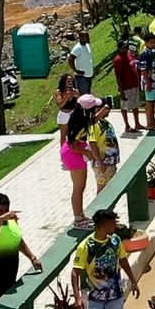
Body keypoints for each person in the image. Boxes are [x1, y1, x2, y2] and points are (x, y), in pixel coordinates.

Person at [73, 208, 141, 309]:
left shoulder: (116, 241)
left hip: (115, 296)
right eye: (112, 223)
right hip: (95, 297)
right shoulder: (86, 246)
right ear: (103, 225)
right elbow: (76, 271)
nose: (115, 226)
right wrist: (77, 297)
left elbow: (123, 261)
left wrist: (133, 281)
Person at [61, 94, 97, 229]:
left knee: (80, 187)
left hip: (73, 153)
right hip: (73, 154)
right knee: (78, 188)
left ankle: (80, 215)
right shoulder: (80, 124)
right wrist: (87, 153)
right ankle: (78, 219)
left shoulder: (79, 118)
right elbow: (73, 145)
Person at [112, 39, 146, 132]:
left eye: (127, 47)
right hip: (125, 86)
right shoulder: (118, 60)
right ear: (119, 48)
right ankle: (127, 125)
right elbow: (118, 77)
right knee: (124, 107)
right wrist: (121, 91)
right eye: (124, 47)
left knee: (135, 104)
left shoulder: (129, 54)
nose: (127, 48)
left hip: (134, 84)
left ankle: (137, 123)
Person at [86, 102, 121, 191]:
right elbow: (92, 144)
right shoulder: (93, 125)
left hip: (110, 162)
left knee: (110, 189)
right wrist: (100, 162)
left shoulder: (104, 122)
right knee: (102, 190)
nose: (108, 110)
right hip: (103, 163)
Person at [70, 30, 95, 95]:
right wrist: (75, 70)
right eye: (85, 36)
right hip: (81, 77)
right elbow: (70, 59)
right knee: (84, 96)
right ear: (80, 37)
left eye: (87, 36)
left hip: (89, 76)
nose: (87, 37)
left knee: (88, 95)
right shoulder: (77, 48)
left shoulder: (87, 45)